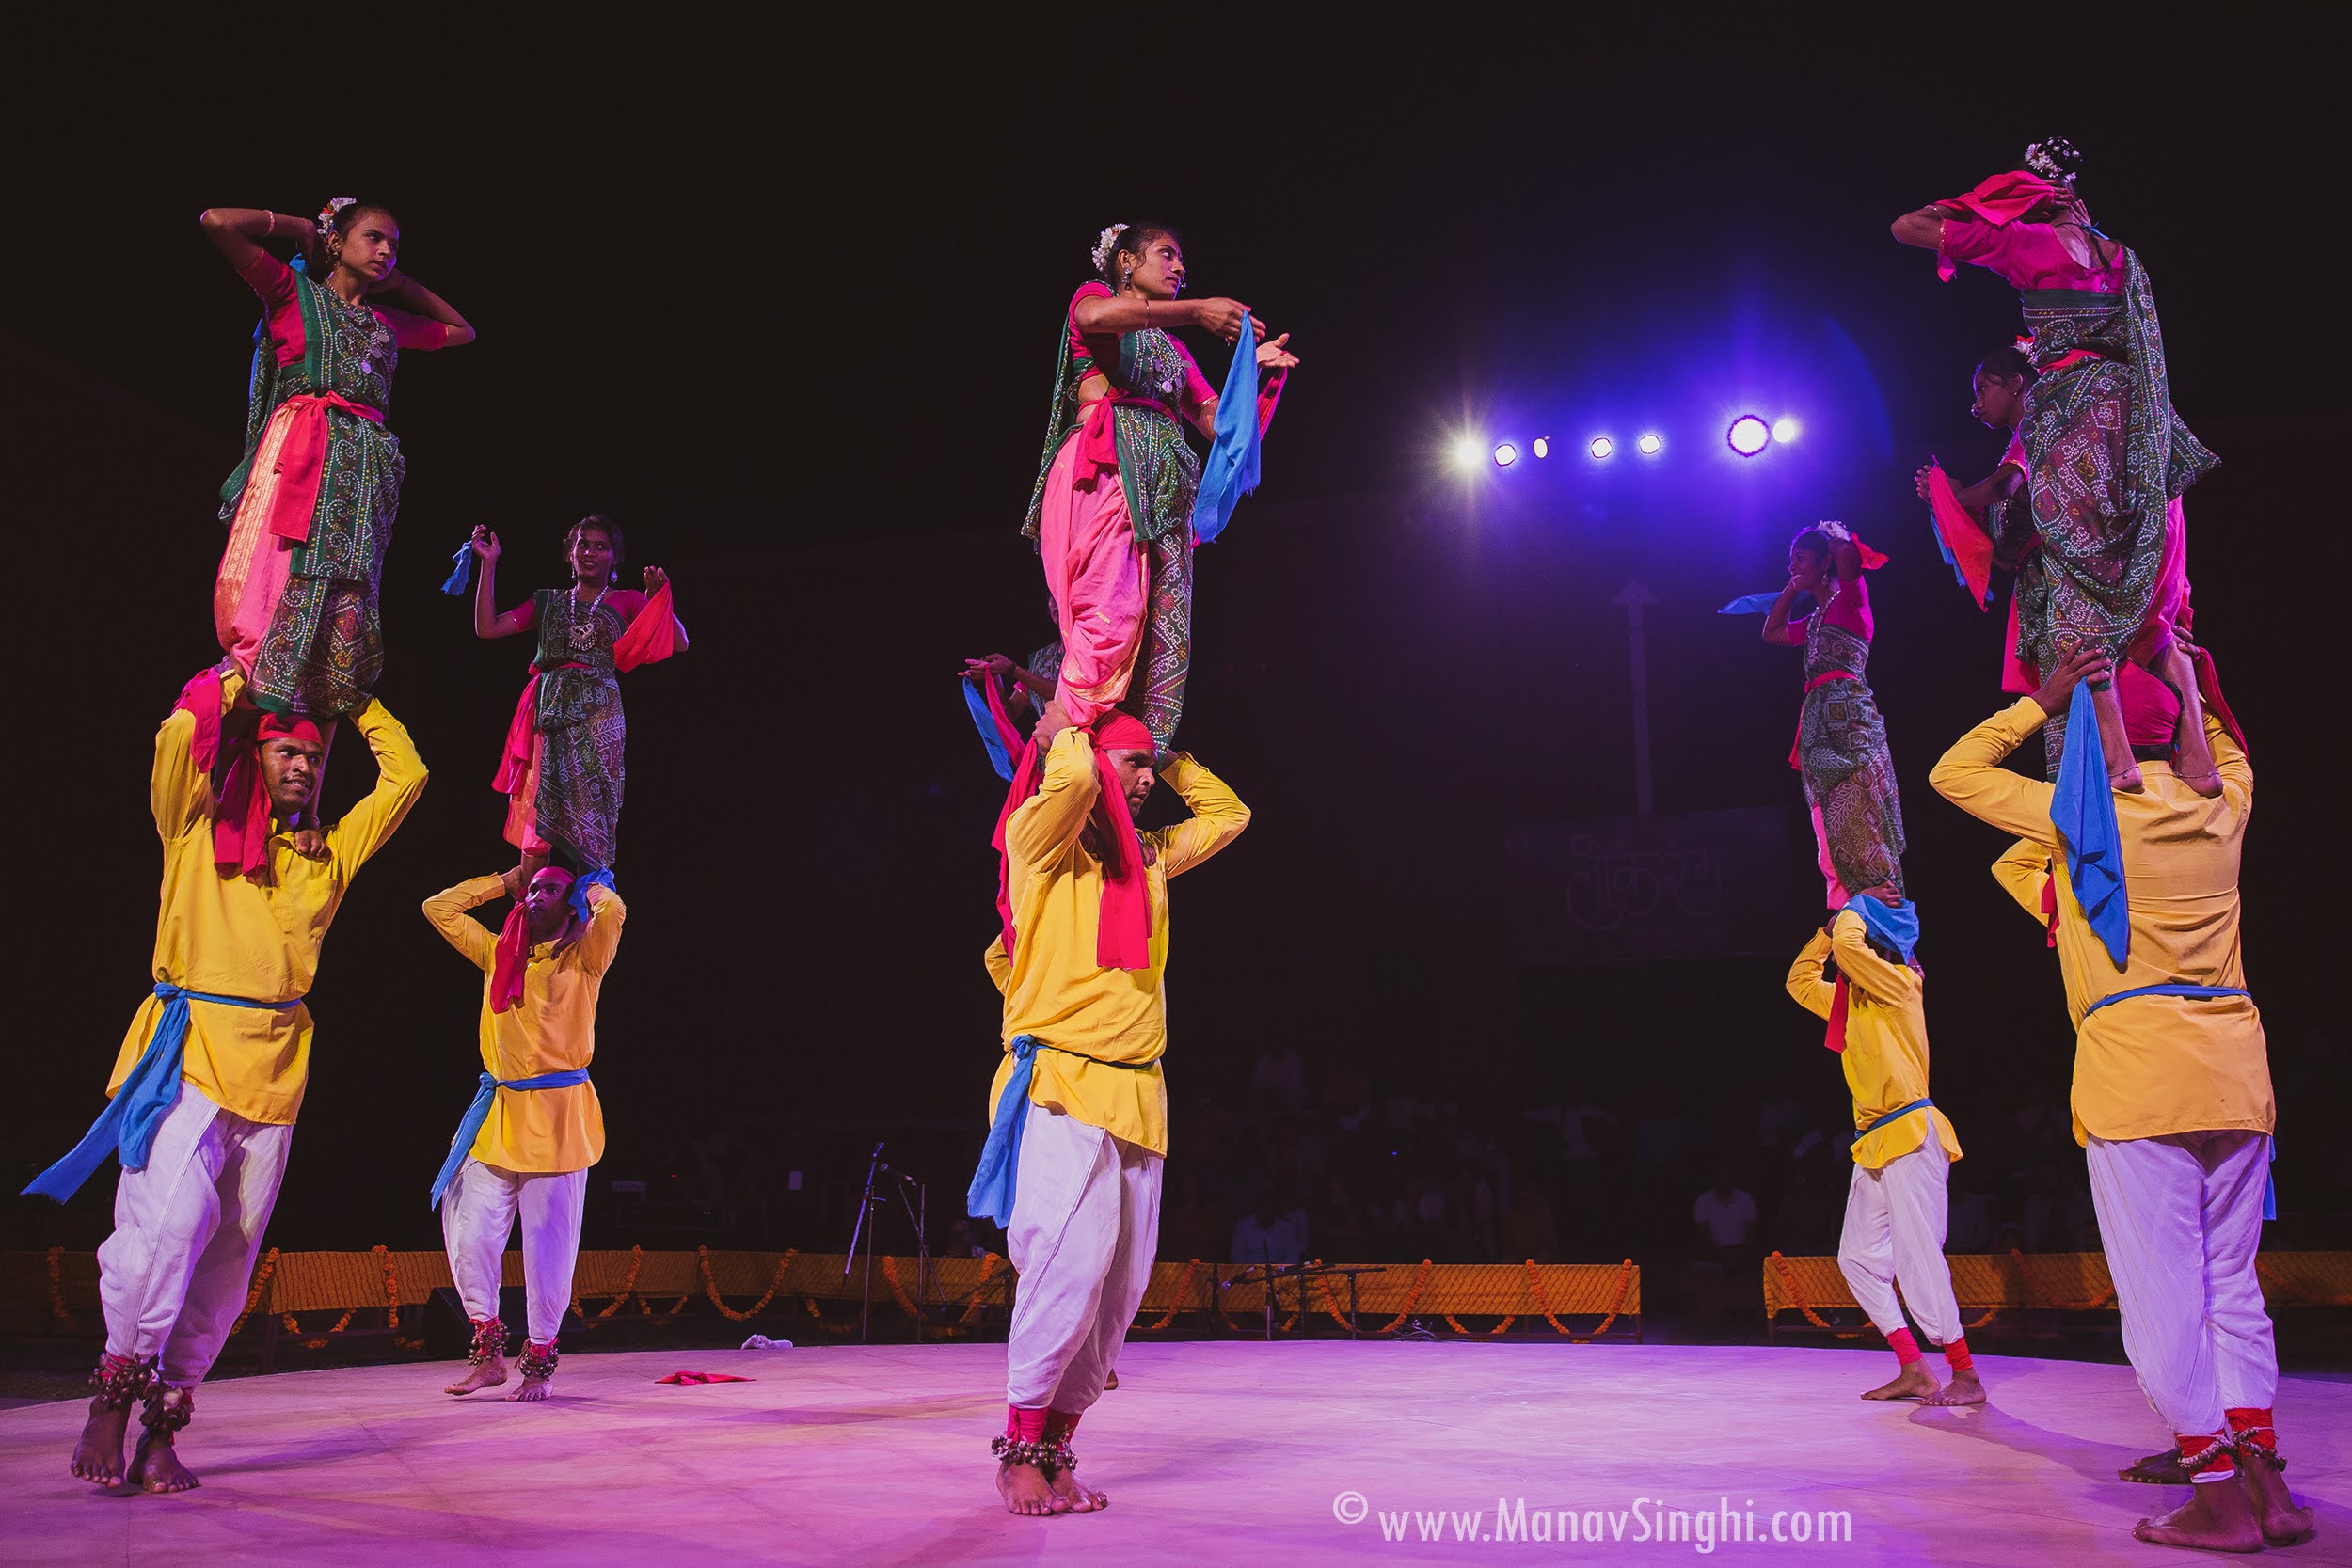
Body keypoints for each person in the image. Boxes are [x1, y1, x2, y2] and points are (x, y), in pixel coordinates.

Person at [1930, 640, 2311, 1552]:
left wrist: (2047, 694)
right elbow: (2225, 745)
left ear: (2095, 750)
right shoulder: (2227, 806)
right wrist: (2181, 672)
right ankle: (2263, 1476)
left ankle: (2216, 1495)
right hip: (2236, 1072)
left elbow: (1953, 772)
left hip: (2138, 1079)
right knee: (2232, 1289)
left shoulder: (2080, 820)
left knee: (2161, 1300)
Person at [30, 666, 426, 1492]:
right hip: (193, 1053)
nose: (301, 769)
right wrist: (238, 676)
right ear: (255, 750)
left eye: (312, 760)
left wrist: (356, 702)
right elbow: (178, 739)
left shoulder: (327, 858)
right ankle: (112, 1390)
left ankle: (163, 1426)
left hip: (277, 1075)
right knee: (166, 1224)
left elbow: (408, 777)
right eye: (285, 753)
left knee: (225, 1266)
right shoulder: (195, 826)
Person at [964, 708, 1248, 1516]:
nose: (1147, 779)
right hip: (1062, 1083)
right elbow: (1077, 778)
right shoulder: (1039, 850)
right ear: (1090, 764)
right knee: (1070, 1265)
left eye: (1149, 767)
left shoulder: (1148, 859)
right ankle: (1016, 1453)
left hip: (1139, 1091)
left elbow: (1230, 816)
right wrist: (1071, 721)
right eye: (1135, 766)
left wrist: (1169, 746)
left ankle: (1055, 1450)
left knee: (1118, 1292)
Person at [1894, 140, 2214, 786]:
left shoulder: (2026, 246)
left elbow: (1907, 228)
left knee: (2071, 588)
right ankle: (2197, 750)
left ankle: (2120, 756)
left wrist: (1987, 204)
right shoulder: (2124, 260)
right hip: (2139, 428)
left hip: (2077, 425)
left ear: (2033, 200)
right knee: (2150, 589)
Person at [1023, 223, 1298, 751]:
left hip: (1164, 494)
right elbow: (1094, 319)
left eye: (1182, 262)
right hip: (1104, 471)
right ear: (1126, 261)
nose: (1179, 268)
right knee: (1111, 612)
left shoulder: (1174, 352)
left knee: (1159, 633)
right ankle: (1061, 734)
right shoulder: (1095, 298)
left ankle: (1124, 756)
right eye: (1166, 255)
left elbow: (1220, 428)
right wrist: (1198, 310)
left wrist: (1251, 380)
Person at [201, 198, 475, 718]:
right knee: (283, 568)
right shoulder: (290, 292)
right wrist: (299, 226)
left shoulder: (384, 323)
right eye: (373, 237)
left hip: (363, 464)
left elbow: (463, 332)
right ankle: (259, 682)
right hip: (304, 451)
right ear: (336, 242)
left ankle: (318, 699)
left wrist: (400, 284)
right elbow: (216, 222)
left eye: (394, 244)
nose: (387, 250)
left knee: (348, 584)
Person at [423, 863, 627, 1402]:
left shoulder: (585, 957)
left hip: (559, 1119)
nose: (536, 897)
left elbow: (617, 911)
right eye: (532, 890)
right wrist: (501, 880)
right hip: (497, 1116)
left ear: (570, 901)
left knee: (548, 1245)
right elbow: (437, 908)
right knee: (472, 1232)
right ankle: (487, 1353)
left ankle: (539, 1362)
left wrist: (590, 886)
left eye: (550, 889)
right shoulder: (498, 954)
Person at [1785, 895, 1980, 1405]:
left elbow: (1851, 949)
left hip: (1911, 1133)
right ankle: (1914, 1367)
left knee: (1919, 1257)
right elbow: (1800, 981)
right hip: (1873, 1143)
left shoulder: (1902, 985)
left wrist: (1851, 908)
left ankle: (1966, 1375)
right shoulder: (1849, 1006)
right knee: (1856, 1258)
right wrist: (1827, 931)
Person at [470, 516, 685, 873]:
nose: (590, 552)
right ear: (570, 552)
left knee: (592, 805)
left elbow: (678, 643)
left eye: (601, 547)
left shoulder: (627, 600)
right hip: (548, 710)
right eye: (583, 544)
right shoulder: (549, 602)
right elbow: (487, 627)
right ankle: (534, 907)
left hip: (598, 716)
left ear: (614, 558)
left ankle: (589, 911)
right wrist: (489, 564)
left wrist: (657, 600)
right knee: (537, 807)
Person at [1763, 522, 1905, 907]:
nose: (1792, 564)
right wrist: (1794, 585)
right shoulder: (1812, 623)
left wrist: (1832, 536)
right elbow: (1771, 631)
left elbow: (1847, 557)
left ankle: (1881, 913)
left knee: (1862, 813)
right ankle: (1845, 909)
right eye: (1790, 559)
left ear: (1824, 560)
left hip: (1852, 724)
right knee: (1827, 824)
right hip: (1817, 729)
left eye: (1800, 558)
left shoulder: (1849, 602)